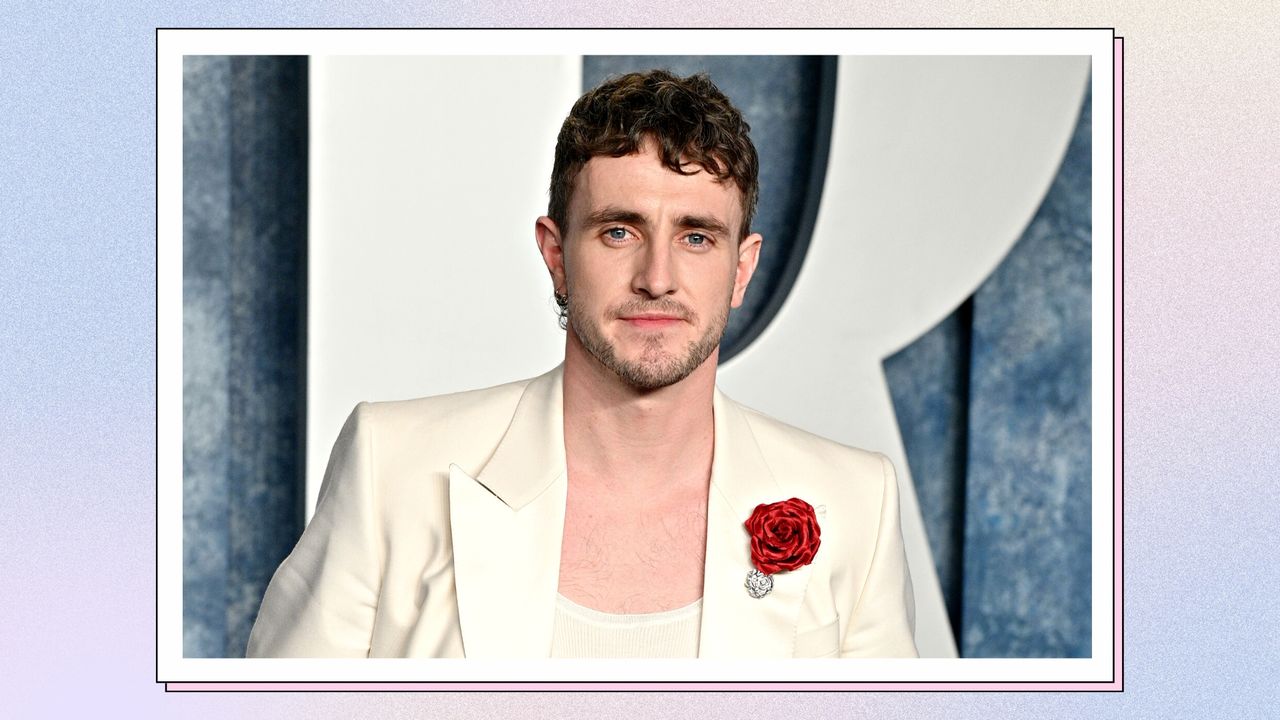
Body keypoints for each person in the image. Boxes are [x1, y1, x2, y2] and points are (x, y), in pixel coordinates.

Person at [246, 69, 918, 659]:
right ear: (557, 253)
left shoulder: (856, 502)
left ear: (741, 269)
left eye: (696, 236)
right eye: (619, 230)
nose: (657, 278)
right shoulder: (391, 468)